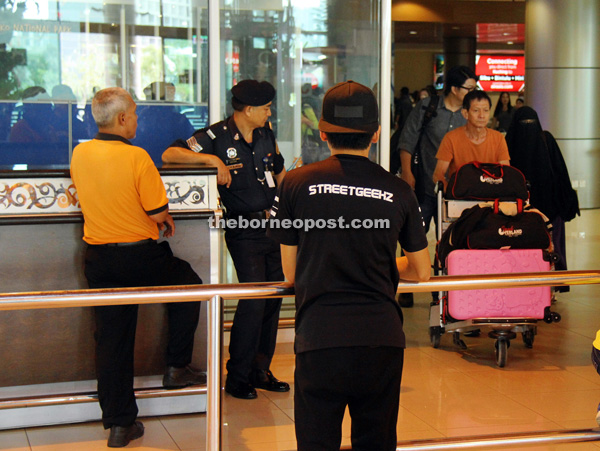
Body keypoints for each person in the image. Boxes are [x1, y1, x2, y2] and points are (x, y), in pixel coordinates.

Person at [267, 80, 431, 451]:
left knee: (316, 441)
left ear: (323, 132)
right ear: (375, 135)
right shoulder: (398, 190)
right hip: (381, 338)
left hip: (319, 338)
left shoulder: (294, 184)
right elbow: (422, 270)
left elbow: (290, 274)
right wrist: (384, 262)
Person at [70, 87, 205, 448]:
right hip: (140, 257)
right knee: (190, 285)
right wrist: (163, 219)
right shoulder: (137, 158)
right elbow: (157, 211)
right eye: (134, 113)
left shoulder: (80, 153)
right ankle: (177, 367)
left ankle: (119, 424)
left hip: (98, 258)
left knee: (111, 339)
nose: (137, 119)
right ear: (122, 119)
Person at [162, 79, 290, 400]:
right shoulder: (215, 137)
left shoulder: (265, 134)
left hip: (273, 224)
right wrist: (212, 160)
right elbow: (170, 154)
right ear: (248, 110)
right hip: (242, 227)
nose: (269, 112)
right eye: (265, 108)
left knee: (274, 296)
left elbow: (277, 171)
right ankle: (238, 375)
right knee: (252, 298)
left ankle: (261, 368)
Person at [396, 65, 477, 307]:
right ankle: (407, 285)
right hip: (424, 185)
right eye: (469, 88)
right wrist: (408, 173)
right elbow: (407, 141)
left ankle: (439, 286)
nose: (473, 92)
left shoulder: (469, 112)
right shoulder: (428, 107)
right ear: (454, 89)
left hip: (457, 190)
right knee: (414, 233)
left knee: (448, 238)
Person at [505, 106, 579, 283]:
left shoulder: (544, 140)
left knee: (551, 250)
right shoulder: (508, 144)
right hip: (521, 210)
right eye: (524, 124)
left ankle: (552, 285)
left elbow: (560, 173)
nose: (527, 128)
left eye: (531, 123)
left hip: (548, 209)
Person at [433, 90, 510, 189]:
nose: (482, 115)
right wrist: (451, 195)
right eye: (476, 110)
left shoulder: (498, 138)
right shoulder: (451, 138)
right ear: (465, 113)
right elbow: (438, 175)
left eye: (486, 110)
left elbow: (506, 173)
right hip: (460, 196)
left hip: (491, 196)